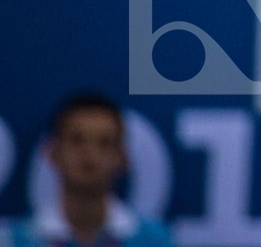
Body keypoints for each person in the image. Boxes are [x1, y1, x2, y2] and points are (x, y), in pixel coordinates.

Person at [1, 92, 173, 247]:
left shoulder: (154, 240)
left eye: (104, 143)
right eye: (77, 140)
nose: (89, 153)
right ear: (52, 152)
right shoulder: (15, 241)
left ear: (123, 158)